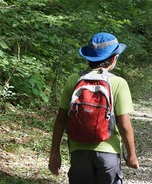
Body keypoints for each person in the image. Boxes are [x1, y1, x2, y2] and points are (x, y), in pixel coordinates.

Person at [48, 32, 139, 184]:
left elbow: (60, 120)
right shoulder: (118, 83)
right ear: (113, 59)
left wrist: (54, 153)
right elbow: (124, 124)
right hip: (108, 153)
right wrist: (131, 155)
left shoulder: (74, 79)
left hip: (78, 152)